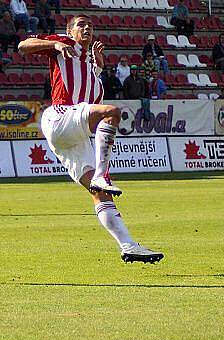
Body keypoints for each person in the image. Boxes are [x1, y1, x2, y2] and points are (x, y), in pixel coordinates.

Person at [18, 15, 163, 263]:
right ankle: (102, 174)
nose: (87, 28)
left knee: (100, 194)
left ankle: (128, 246)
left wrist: (98, 66)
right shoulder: (64, 44)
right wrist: (53, 44)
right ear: (70, 31)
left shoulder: (93, 69)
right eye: (81, 25)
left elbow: (92, 109)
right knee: (112, 112)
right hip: (60, 117)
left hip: (74, 136)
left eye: (90, 26)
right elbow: (22, 46)